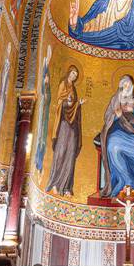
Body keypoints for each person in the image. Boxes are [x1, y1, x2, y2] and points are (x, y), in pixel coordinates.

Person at [45, 65, 84, 196]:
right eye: (73, 73)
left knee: (71, 155)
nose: (74, 76)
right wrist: (70, 103)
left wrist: (78, 104)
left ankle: (67, 187)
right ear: (69, 73)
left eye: (76, 75)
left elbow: (74, 104)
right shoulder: (63, 84)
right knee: (60, 153)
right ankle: (55, 184)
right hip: (63, 124)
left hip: (73, 126)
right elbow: (60, 101)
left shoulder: (74, 89)